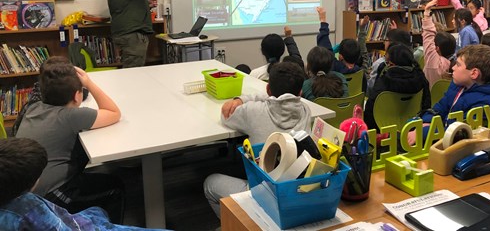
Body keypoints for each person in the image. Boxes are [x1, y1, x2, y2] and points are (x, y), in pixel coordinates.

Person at [15, 56, 124, 222]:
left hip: (24, 191)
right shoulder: (71, 116)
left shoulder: (33, 106)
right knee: (115, 188)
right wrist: (89, 83)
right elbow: (113, 112)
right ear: (77, 96)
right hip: (50, 198)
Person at [203, 62, 310, 221]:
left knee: (210, 183)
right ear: (300, 92)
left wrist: (241, 99)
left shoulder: (253, 111)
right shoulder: (305, 111)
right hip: (297, 191)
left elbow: (226, 116)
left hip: (262, 193)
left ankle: (240, 225)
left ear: (268, 89)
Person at [0, 138, 166, 231]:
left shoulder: (17, 202)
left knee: (98, 211)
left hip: (76, 220)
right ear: (30, 183)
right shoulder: (29, 210)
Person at [364, 44, 431, 131]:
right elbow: (426, 105)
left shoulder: (384, 82)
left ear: (391, 64)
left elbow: (371, 109)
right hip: (412, 127)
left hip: (384, 129)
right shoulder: (421, 79)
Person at [316, 7, 367, 92]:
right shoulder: (361, 72)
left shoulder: (335, 69)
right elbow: (364, 52)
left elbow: (325, 48)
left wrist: (323, 20)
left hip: (335, 104)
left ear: (340, 56)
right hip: (355, 104)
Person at [367, 25, 412, 96]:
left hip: (382, 104)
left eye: (386, 40)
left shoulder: (380, 64)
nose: (384, 42)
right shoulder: (412, 63)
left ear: (392, 43)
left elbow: (371, 88)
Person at [421, 0, 456, 87]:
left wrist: (427, 12)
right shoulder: (455, 64)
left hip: (431, 99)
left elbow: (428, 36)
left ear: (437, 48)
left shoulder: (434, 63)